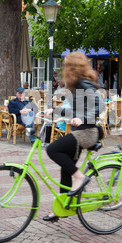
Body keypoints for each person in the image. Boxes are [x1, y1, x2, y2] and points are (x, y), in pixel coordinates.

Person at [43, 52, 105, 222]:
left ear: (73, 68)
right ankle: (62, 207)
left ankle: (80, 177)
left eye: (65, 66)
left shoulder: (84, 84)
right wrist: (54, 110)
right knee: (66, 167)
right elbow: (73, 111)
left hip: (87, 133)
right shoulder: (75, 86)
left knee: (53, 149)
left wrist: (83, 118)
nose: (63, 69)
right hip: (80, 132)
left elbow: (100, 107)